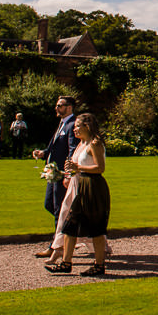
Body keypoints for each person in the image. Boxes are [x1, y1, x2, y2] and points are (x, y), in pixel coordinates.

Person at [45, 113, 111, 276]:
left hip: (92, 186)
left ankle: (99, 265)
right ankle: (66, 262)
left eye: (77, 126)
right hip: (81, 185)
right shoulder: (83, 143)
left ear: (86, 126)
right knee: (70, 225)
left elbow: (100, 168)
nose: (74, 129)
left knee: (96, 228)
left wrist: (77, 168)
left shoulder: (95, 143)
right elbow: (78, 165)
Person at [31, 96, 78, 258]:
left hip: (61, 174)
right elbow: (54, 146)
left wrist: (68, 173)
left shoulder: (72, 125)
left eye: (60, 105)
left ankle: (56, 245)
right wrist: (43, 153)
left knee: (59, 210)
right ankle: (68, 235)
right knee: (49, 205)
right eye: (57, 105)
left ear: (70, 107)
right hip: (53, 172)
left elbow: (72, 150)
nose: (56, 108)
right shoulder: (62, 123)